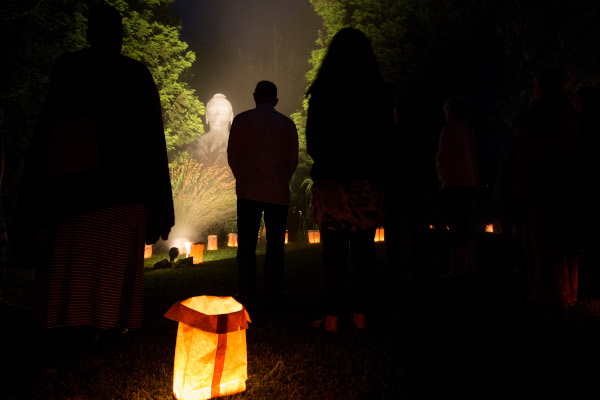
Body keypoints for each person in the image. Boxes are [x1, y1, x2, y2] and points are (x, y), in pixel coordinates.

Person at [15, 4, 174, 337]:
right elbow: (152, 141)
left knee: (72, 271)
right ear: (120, 36)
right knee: (111, 272)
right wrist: (160, 202)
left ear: (90, 34)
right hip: (123, 193)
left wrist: (37, 188)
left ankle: (69, 323)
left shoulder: (70, 70)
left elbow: (48, 131)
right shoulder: (135, 75)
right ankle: (110, 323)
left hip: (73, 193)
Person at [305, 27, 394, 332]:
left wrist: (329, 161)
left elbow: (313, 140)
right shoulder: (379, 93)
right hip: (367, 182)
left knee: (332, 252)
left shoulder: (323, 92)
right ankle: (362, 315)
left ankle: (332, 318)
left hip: (332, 182)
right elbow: (386, 138)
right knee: (364, 252)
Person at [227, 80, 298, 312]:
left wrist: (243, 177)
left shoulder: (241, 120)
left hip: (248, 189)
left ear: (255, 96)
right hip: (277, 191)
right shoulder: (287, 124)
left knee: (246, 244)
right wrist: (281, 178)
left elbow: (233, 155)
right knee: (275, 244)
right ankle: (274, 289)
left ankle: (247, 290)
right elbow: (292, 160)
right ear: (276, 100)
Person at [512, 66, 579, 309]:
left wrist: (522, 185)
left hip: (541, 186)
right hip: (564, 186)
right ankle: (566, 291)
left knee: (542, 242)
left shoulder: (535, 116)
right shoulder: (567, 112)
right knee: (562, 243)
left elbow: (528, 155)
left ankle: (547, 293)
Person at [436, 94, 479, 277]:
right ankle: (469, 265)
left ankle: (456, 266)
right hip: (469, 183)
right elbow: (474, 159)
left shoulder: (448, 130)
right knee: (464, 223)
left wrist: (442, 177)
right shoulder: (468, 131)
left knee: (455, 224)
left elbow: (442, 158)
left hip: (453, 183)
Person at [188, 93, 234, 169]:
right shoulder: (195, 143)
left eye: (223, 111)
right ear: (206, 116)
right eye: (212, 111)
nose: (217, 115)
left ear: (231, 116)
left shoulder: (240, 144)